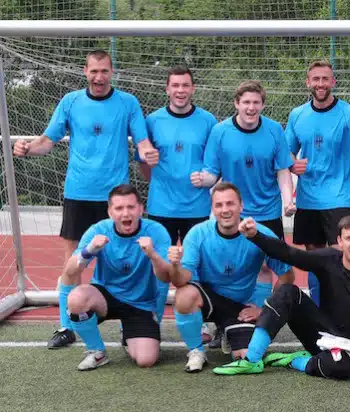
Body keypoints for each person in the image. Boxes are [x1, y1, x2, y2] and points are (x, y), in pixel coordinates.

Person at [12, 50, 151, 349]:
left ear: (112, 72)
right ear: (85, 71)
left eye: (104, 71)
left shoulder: (128, 103)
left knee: (124, 259)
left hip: (117, 199)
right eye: (94, 71)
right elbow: (47, 142)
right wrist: (27, 147)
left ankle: (131, 322)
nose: (99, 77)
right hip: (78, 192)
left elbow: (142, 142)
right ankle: (66, 325)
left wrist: (148, 153)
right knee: (72, 261)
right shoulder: (71, 101)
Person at [211, 215, 350, 380]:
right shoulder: (327, 260)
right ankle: (252, 360)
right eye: (349, 238)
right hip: (320, 334)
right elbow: (288, 253)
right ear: (340, 242)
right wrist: (255, 236)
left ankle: (294, 361)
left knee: (342, 370)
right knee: (286, 292)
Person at [194, 80, 296, 347]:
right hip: (231, 212)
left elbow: (283, 171)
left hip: (267, 211)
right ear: (237, 103)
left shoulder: (274, 130)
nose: (251, 107)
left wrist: (288, 201)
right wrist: (201, 179)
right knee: (213, 263)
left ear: (262, 104)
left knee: (264, 266)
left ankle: (255, 315)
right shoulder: (220, 131)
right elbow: (212, 174)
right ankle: (215, 321)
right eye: (246, 102)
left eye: (256, 102)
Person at [167, 182, 295, 373]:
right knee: (184, 294)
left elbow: (287, 275)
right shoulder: (198, 234)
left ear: (241, 206)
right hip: (209, 299)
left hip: (242, 306)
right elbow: (180, 281)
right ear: (213, 208)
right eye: (219, 205)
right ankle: (196, 351)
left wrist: (264, 309)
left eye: (230, 204)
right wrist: (175, 265)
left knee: (247, 357)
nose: (225, 210)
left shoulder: (259, 234)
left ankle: (228, 331)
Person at [286, 60, 350, 306]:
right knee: (315, 260)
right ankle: (319, 312)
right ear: (308, 82)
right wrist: (292, 164)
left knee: (342, 258)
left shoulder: (349, 114)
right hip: (307, 199)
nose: (320, 84)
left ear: (333, 82)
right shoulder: (297, 115)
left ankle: (345, 310)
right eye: (316, 79)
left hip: (338, 199)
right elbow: (286, 152)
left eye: (325, 79)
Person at [135, 64, 217, 326]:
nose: (180, 90)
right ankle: (152, 323)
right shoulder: (152, 120)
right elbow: (143, 161)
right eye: (175, 85)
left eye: (185, 85)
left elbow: (214, 164)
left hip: (198, 208)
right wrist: (159, 183)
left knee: (199, 267)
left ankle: (203, 323)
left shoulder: (208, 121)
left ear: (193, 88)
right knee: (158, 267)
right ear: (167, 89)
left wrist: (206, 179)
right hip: (161, 207)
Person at [62, 184, 172, 370]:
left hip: (141, 302)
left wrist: (153, 254)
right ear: (110, 211)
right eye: (119, 208)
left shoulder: (156, 231)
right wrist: (89, 251)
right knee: (77, 299)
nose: (125, 213)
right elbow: (70, 271)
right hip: (106, 296)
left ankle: (128, 333)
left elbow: (166, 276)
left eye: (130, 207)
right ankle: (96, 351)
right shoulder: (98, 230)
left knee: (146, 360)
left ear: (141, 209)